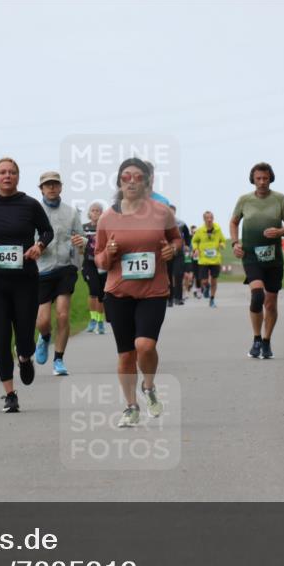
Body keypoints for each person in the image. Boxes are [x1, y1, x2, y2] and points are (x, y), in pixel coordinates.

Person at [95, 158, 181, 427]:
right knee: (126, 355)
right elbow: (98, 259)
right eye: (126, 177)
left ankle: (149, 386)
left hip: (153, 290)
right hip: (118, 292)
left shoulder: (161, 212)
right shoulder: (108, 217)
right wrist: (107, 254)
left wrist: (173, 250)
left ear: (146, 182)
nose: (131, 181)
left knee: (145, 345)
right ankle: (131, 407)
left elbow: (177, 238)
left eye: (137, 177)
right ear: (119, 182)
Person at [0, 157, 53, 413]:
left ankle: (25, 356)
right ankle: (10, 394)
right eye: (3, 172)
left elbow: (47, 231)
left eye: (12, 172)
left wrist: (39, 246)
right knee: (1, 337)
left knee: (25, 337)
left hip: (25, 281)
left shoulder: (30, 205)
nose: (8, 176)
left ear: (18, 177)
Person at [229, 162, 284, 359]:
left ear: (270, 178)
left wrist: (281, 231)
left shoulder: (280, 199)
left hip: (273, 257)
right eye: (258, 178)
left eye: (265, 178)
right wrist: (235, 243)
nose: (261, 182)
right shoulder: (244, 200)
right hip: (251, 255)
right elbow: (234, 222)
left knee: (271, 303)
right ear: (253, 179)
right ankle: (256, 338)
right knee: (257, 295)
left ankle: (267, 342)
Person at [33, 171, 84, 376]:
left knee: (63, 315)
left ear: (61, 187)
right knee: (43, 320)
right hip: (42, 269)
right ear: (41, 189)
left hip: (65, 267)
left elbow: (81, 237)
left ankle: (59, 360)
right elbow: (26, 238)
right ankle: (44, 337)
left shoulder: (71, 213)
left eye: (55, 184)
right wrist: (35, 247)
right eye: (47, 185)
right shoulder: (33, 211)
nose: (52, 188)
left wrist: (82, 242)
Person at [81, 201, 107, 334]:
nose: (96, 212)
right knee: (93, 291)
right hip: (89, 263)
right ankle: (93, 320)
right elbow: (78, 246)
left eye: (98, 210)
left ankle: (100, 321)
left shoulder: (106, 227)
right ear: (89, 213)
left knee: (101, 294)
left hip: (102, 263)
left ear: (102, 213)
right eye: (93, 210)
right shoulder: (83, 227)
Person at [192, 211, 226, 308]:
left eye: (211, 217)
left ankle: (212, 299)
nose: (209, 220)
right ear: (204, 219)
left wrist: (221, 245)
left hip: (215, 259)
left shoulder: (218, 229)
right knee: (204, 281)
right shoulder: (199, 231)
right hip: (203, 260)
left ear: (213, 218)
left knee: (214, 280)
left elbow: (223, 240)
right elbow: (194, 241)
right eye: (207, 218)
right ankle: (206, 286)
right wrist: (196, 249)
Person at [165, 205, 189, 307]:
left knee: (178, 275)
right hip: (167, 252)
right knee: (168, 276)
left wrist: (187, 244)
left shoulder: (181, 223)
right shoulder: (162, 223)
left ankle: (178, 298)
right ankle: (169, 299)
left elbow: (187, 236)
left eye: (172, 212)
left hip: (179, 253)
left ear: (174, 212)